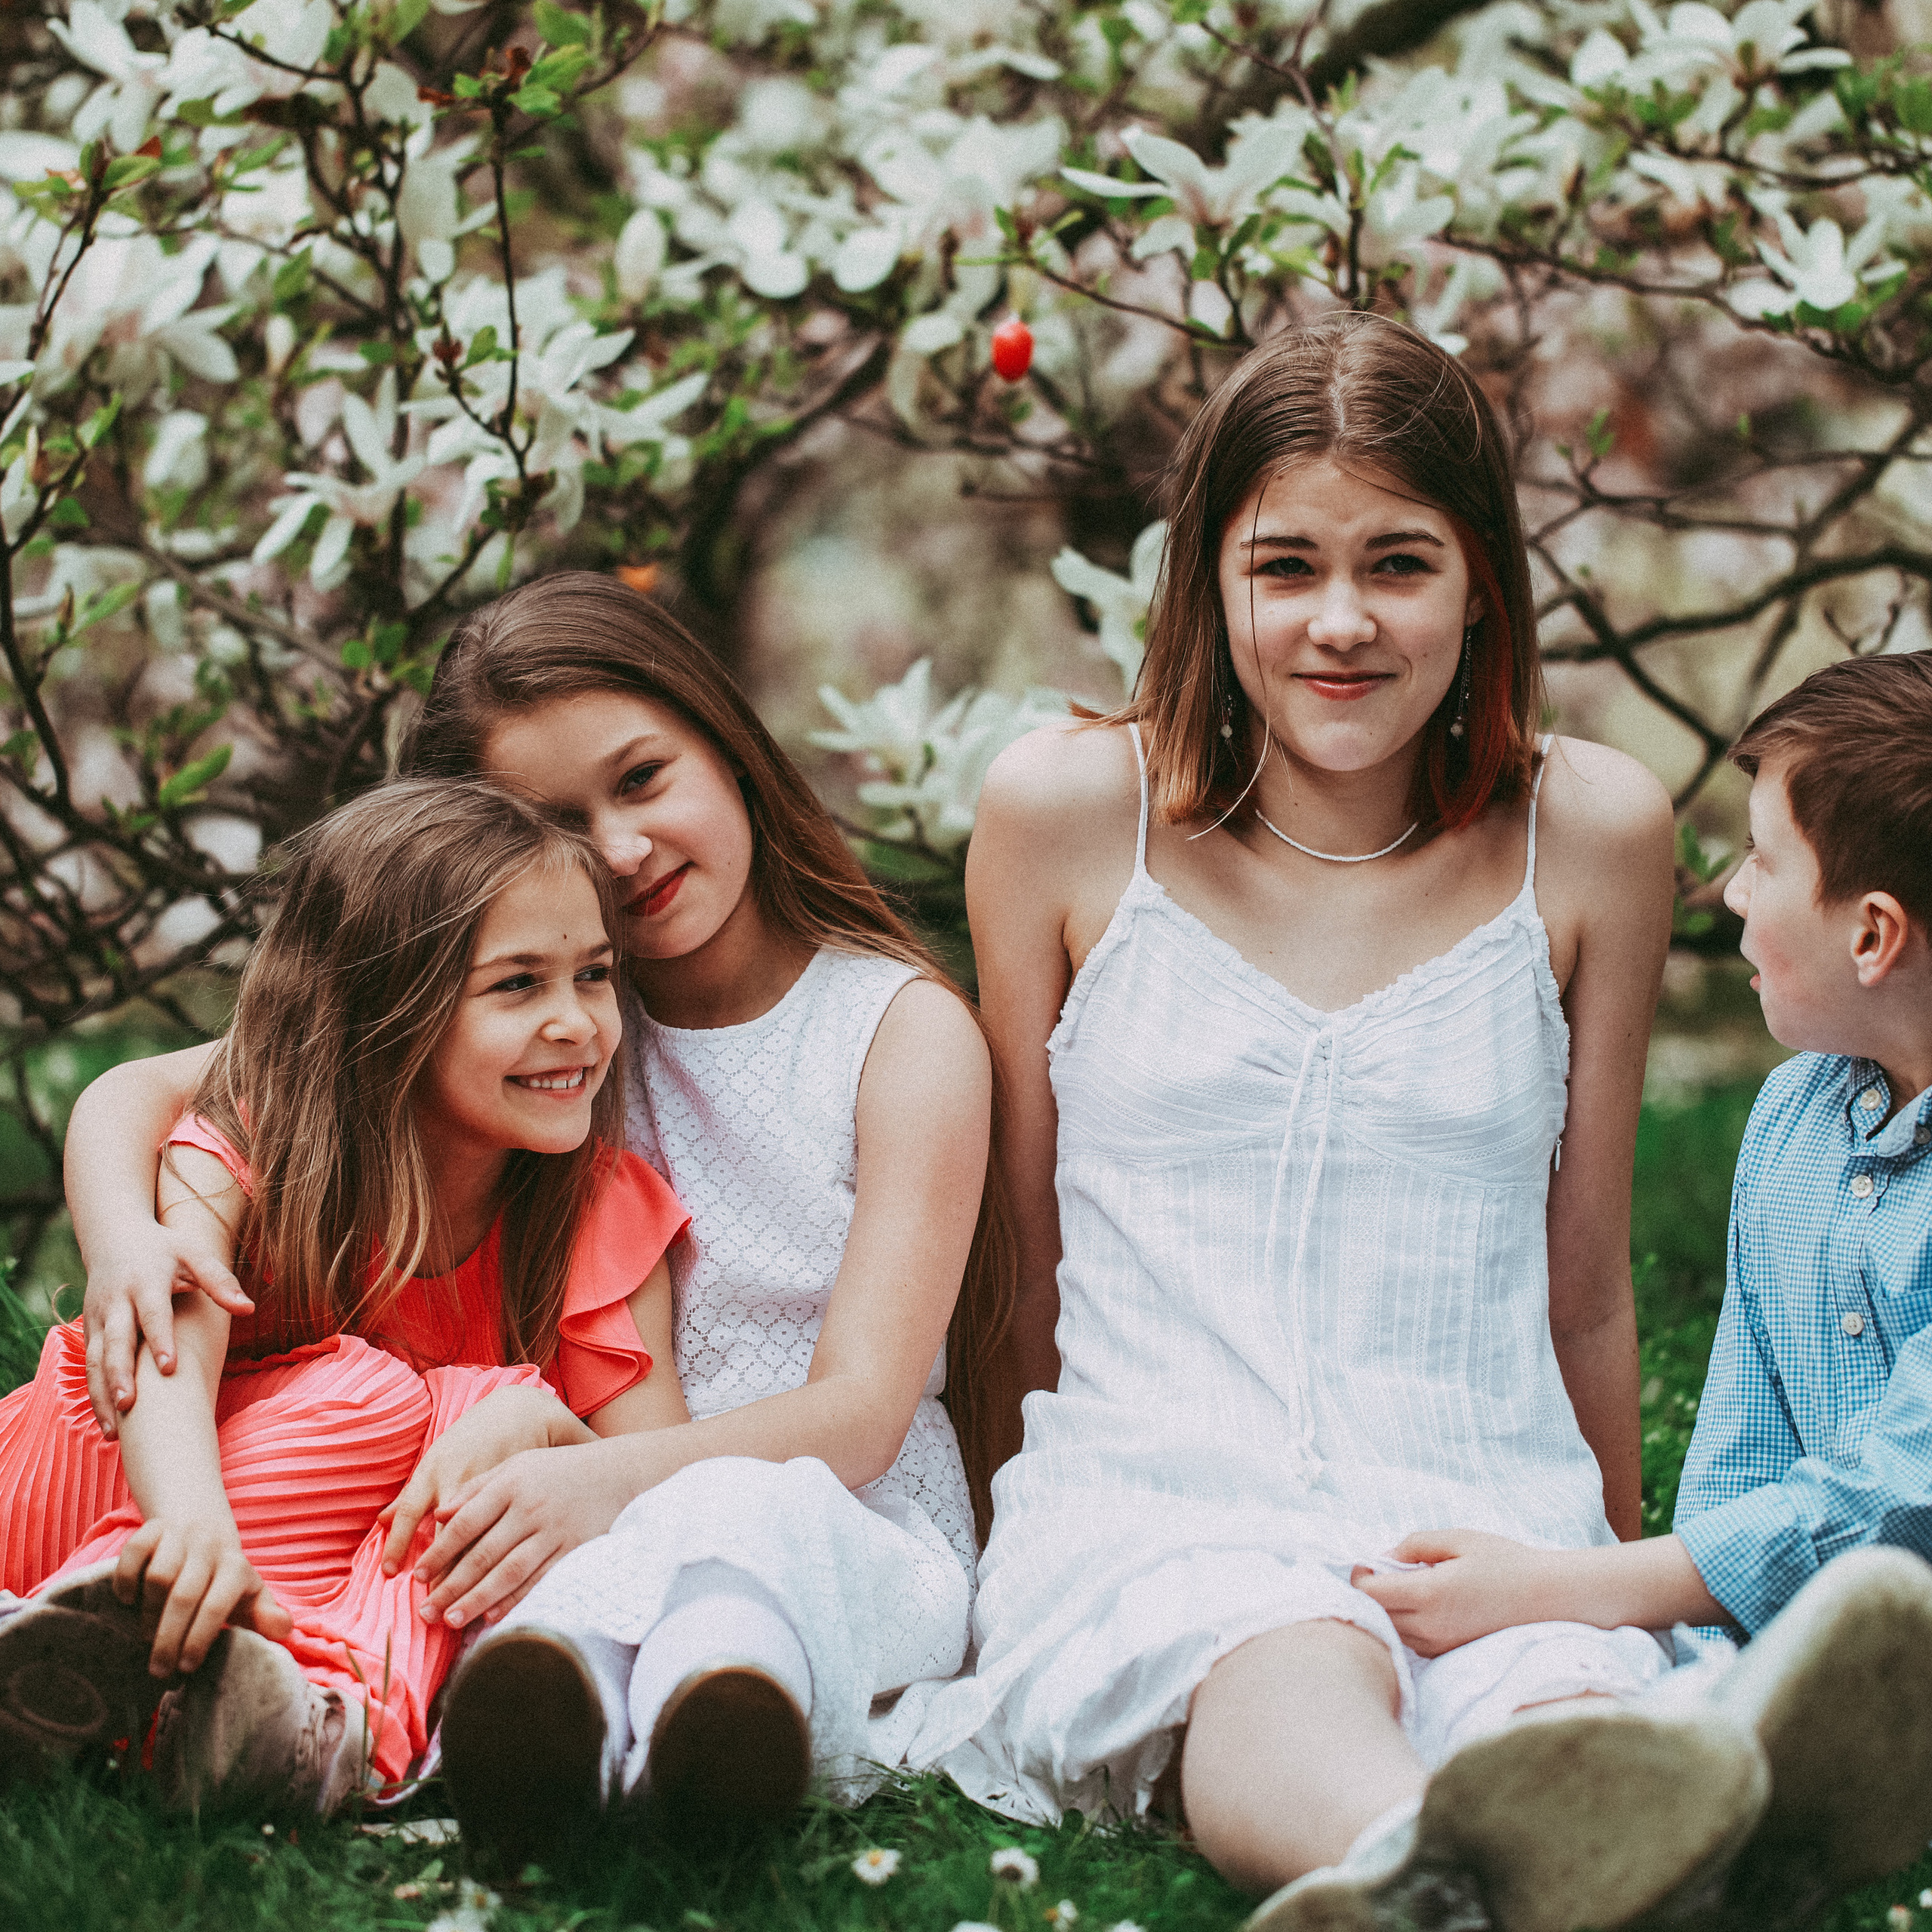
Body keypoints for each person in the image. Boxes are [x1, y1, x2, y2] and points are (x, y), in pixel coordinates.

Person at [905, 312, 1915, 1932]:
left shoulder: (1586, 829)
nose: (1339, 622)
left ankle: (1622, 1781)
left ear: (1480, 588)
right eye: (1283, 565)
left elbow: (1582, 1278)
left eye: (1398, 563)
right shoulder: (1062, 815)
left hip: (1476, 1485)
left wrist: (1593, 1584)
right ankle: (1418, 1871)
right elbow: (1016, 1261)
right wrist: (1010, 1557)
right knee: (1271, 1657)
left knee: (1542, 1690)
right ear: (1205, 585)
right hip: (1164, 1491)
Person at [60, 574, 1011, 1855]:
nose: (617, 849)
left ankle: (703, 1744)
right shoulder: (527, 1007)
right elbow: (163, 1091)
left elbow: (861, 1411)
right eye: (557, 818)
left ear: (728, 744)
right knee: (518, 1577)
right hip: (565, 1474)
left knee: (733, 1539)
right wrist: (129, 1233)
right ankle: (538, 1741)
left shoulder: (895, 1034)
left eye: (642, 778)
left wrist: (598, 1477)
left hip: (831, 1504)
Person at [1349, 650, 1932, 1924]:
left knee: (1865, 1610)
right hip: (1811, 1635)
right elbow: (1742, 1453)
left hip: (1910, 1616)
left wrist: (1562, 1582)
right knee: (1630, 1686)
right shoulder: (1789, 1124)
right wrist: (1679, 1634)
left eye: (1763, 861)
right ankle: (1679, 1781)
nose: (1725, 892)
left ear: (1873, 933)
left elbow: (1903, 1490)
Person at [0, 780, 689, 1811]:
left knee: (485, 1451)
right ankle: (103, 1627)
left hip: (280, 1598)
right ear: (385, 1006)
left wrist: (540, 1428)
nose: (577, 1023)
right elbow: (160, 1355)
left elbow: (660, 1489)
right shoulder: (263, 1136)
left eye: (594, 976)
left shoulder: (596, 1212)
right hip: (111, 1467)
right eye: (517, 986)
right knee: (390, 1401)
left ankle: (276, 1720)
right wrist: (192, 1528)